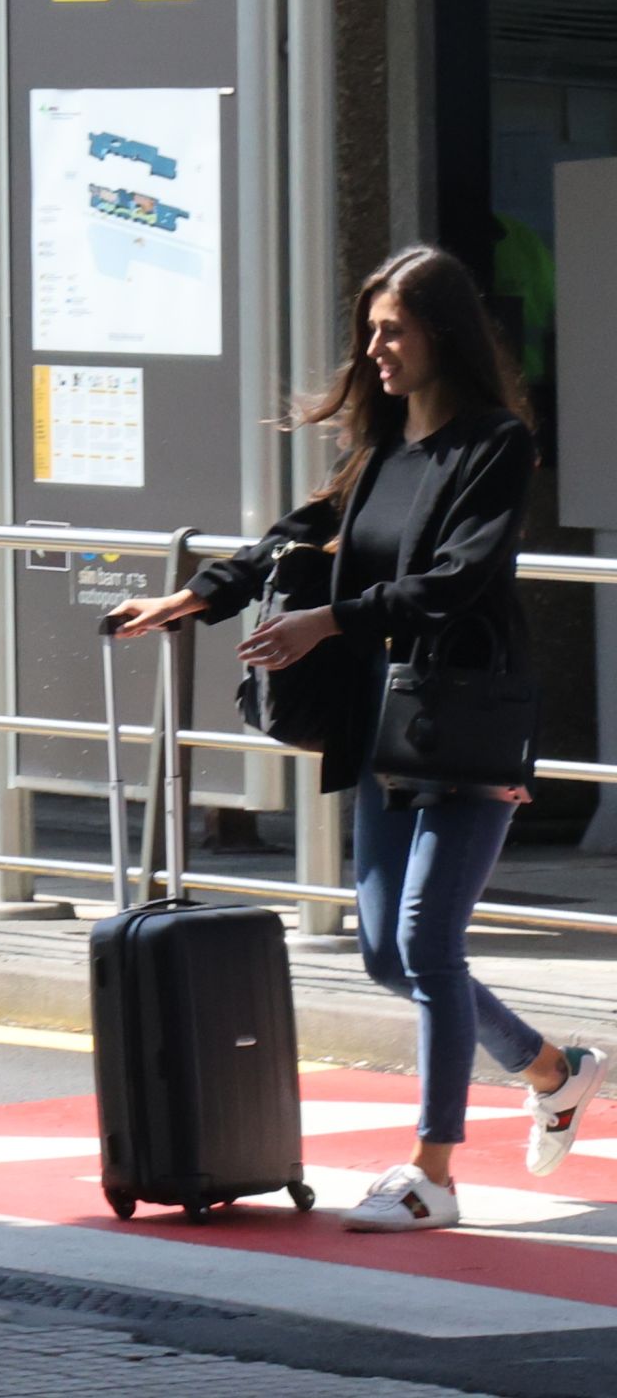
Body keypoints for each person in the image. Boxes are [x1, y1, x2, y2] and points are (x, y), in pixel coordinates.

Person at [111, 246, 608, 1232]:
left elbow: (460, 580)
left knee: (426, 937)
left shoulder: (495, 443)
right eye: (369, 332)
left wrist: (325, 624)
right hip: (384, 725)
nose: (374, 350)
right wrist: (195, 597)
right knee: (387, 953)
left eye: (393, 330)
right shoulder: (378, 452)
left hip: (466, 723)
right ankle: (556, 1070)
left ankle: (433, 1171)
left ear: (442, 335)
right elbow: (288, 538)